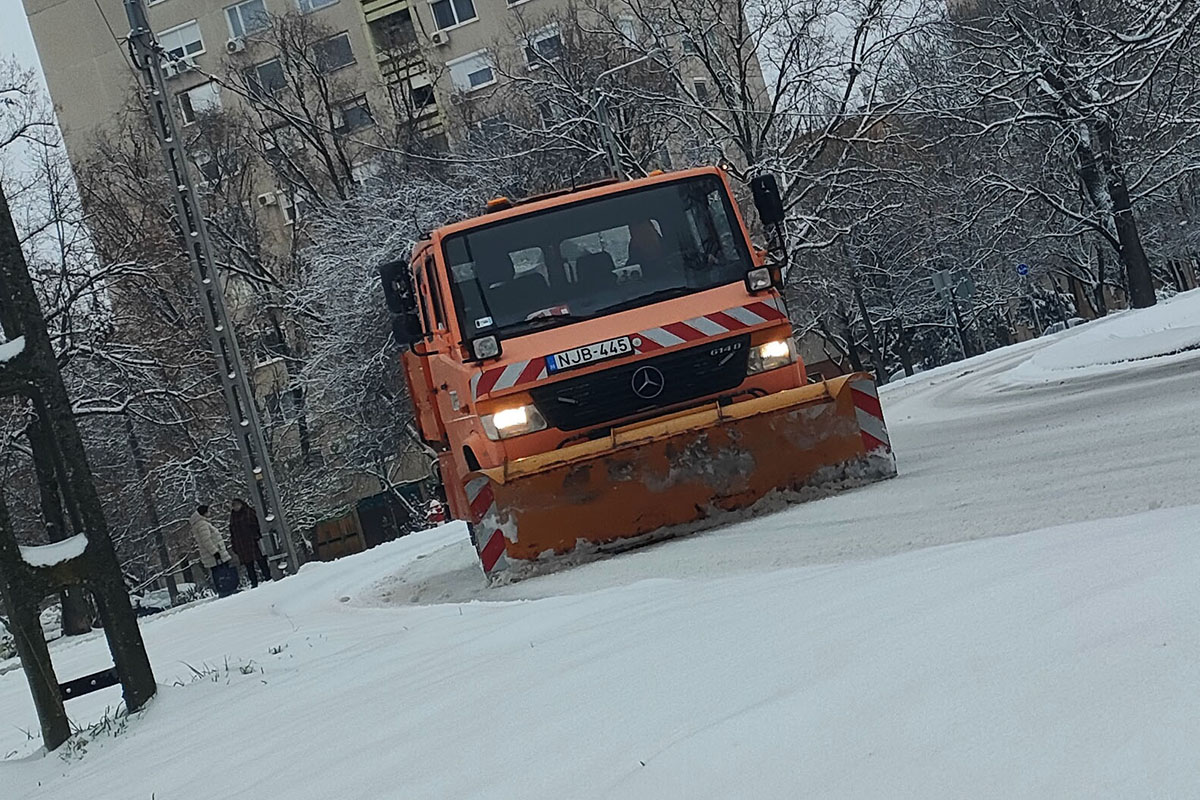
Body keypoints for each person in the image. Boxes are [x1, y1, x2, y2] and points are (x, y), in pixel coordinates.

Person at [189, 504, 235, 596]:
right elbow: (206, 540)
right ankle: (226, 589)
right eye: (208, 511)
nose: (210, 513)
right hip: (213, 554)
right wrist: (215, 552)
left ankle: (224, 589)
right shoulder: (202, 524)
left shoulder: (201, 523)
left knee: (218, 571)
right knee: (220, 571)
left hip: (211, 554)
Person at [229, 498, 271, 588]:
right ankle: (254, 582)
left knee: (261, 560)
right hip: (241, 543)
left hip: (253, 540)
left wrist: (257, 535)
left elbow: (257, 524)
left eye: (237, 505)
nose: (236, 507)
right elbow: (232, 531)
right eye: (234, 505)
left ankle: (268, 577)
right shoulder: (233, 517)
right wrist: (234, 545)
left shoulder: (249, 512)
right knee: (248, 564)